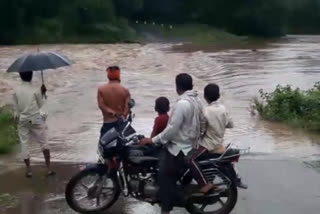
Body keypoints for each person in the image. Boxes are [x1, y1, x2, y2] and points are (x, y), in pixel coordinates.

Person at [140, 73, 206, 214]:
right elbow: (203, 122)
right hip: (192, 145)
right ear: (191, 86)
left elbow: (172, 129)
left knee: (164, 177)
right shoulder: (197, 101)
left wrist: (153, 140)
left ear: (177, 87)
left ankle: (166, 209)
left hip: (179, 148)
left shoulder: (182, 104)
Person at [189, 83, 247, 194]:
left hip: (207, 145)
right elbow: (230, 124)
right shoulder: (223, 109)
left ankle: (205, 184)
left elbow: (201, 131)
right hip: (219, 143)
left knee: (190, 159)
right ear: (219, 95)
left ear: (205, 97)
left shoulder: (205, 111)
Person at [12, 71, 54, 178]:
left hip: (23, 120)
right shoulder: (36, 89)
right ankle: (48, 169)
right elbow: (41, 105)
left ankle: (29, 170)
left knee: (24, 143)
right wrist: (43, 93)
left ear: (20, 76)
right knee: (44, 142)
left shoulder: (15, 91)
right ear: (31, 76)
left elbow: (16, 109)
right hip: (35, 119)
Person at [97, 66, 130, 138]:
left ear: (108, 75)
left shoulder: (101, 89)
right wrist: (123, 116)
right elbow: (127, 107)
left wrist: (109, 110)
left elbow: (101, 105)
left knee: (104, 146)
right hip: (121, 124)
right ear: (118, 75)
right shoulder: (125, 90)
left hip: (107, 123)